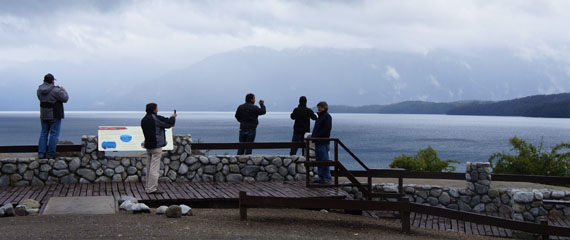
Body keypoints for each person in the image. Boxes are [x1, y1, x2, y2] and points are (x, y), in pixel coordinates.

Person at [141, 103, 176, 194]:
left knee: (149, 168)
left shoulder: (144, 119)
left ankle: (148, 187)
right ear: (154, 109)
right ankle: (152, 189)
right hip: (156, 146)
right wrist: (173, 117)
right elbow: (168, 123)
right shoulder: (155, 118)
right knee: (154, 169)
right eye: (157, 108)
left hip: (148, 146)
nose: (158, 109)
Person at [37, 73, 69, 159]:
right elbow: (65, 99)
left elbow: (41, 98)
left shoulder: (39, 90)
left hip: (44, 115)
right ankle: (51, 154)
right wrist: (63, 90)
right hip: (55, 115)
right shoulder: (56, 90)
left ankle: (41, 153)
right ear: (52, 81)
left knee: (43, 133)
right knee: (54, 134)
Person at [312, 101, 332, 184]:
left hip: (323, 141)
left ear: (324, 108)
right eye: (318, 107)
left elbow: (327, 129)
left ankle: (327, 177)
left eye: (319, 107)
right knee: (319, 160)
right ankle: (321, 177)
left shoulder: (327, 116)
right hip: (318, 141)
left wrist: (317, 136)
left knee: (324, 159)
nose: (318, 109)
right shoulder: (320, 117)